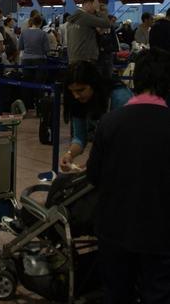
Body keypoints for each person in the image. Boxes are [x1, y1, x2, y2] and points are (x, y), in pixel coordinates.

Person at [87, 49, 170, 303]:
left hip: (114, 228)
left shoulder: (110, 122)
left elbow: (93, 175)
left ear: (136, 81)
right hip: (162, 232)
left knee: (117, 294)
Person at [60, 61, 131, 172]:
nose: (76, 96)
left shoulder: (120, 97)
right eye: (72, 91)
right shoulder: (77, 100)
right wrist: (69, 155)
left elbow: (127, 142)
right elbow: (79, 137)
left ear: (93, 84)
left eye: (80, 90)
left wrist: (98, 164)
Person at [66, 0, 111, 64]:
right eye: (96, 5)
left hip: (73, 57)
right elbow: (106, 23)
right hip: (86, 57)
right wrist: (100, 11)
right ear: (90, 4)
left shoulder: (72, 20)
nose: (95, 9)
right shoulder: (85, 17)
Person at [18, 15, 49, 108]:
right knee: (39, 84)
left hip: (26, 60)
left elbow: (20, 47)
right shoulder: (43, 33)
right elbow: (47, 49)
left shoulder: (23, 32)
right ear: (40, 23)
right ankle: (39, 105)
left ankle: (28, 105)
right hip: (39, 60)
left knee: (27, 83)